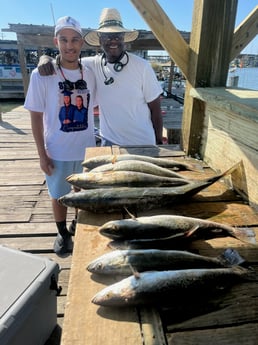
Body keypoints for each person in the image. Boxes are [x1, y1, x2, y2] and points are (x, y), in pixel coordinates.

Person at [38, 8, 164, 146]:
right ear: (100, 40)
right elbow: (66, 61)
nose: (113, 41)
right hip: (109, 142)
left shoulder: (142, 66)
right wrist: (45, 58)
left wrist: (158, 142)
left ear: (124, 38)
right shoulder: (92, 64)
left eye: (117, 36)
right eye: (107, 36)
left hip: (143, 143)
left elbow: (156, 109)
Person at [24, 16, 96, 256]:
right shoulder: (41, 74)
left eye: (75, 39)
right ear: (56, 42)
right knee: (58, 194)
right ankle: (62, 231)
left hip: (87, 150)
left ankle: (77, 223)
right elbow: (35, 117)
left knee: (82, 192)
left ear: (82, 43)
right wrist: (41, 154)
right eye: (64, 40)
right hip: (58, 150)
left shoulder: (91, 71)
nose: (69, 45)